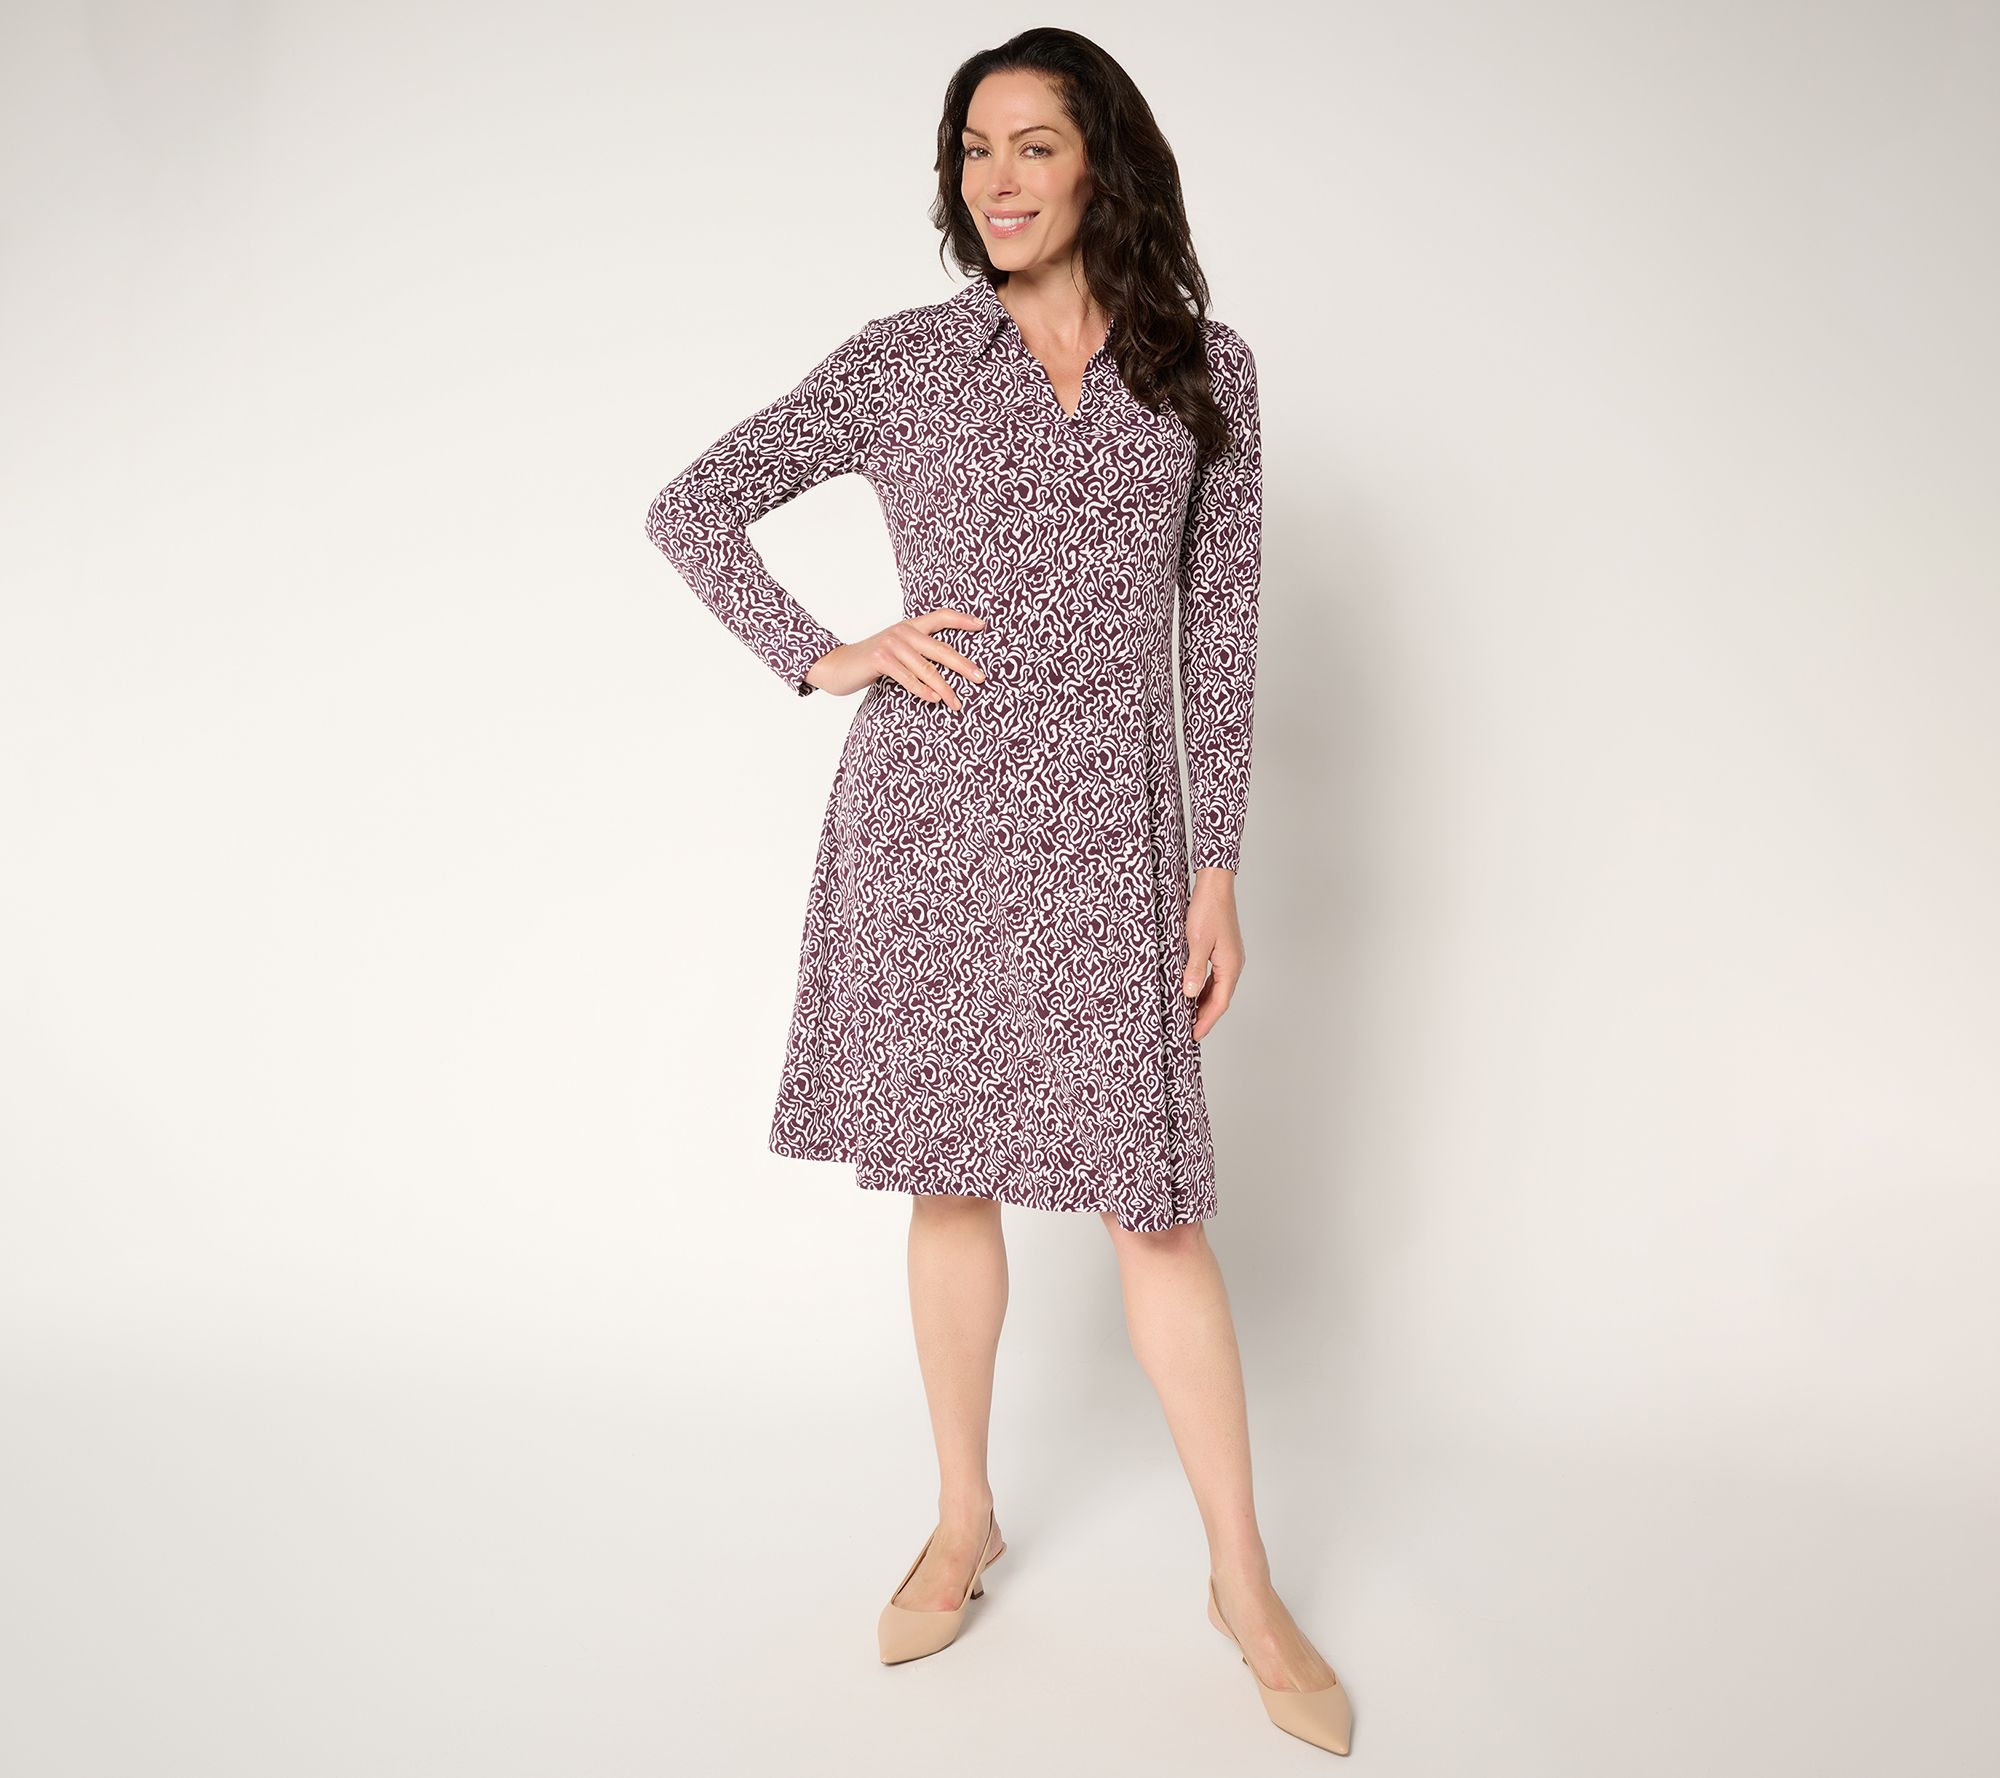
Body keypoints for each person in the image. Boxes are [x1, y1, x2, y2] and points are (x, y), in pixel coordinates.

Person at [644, 27, 1352, 1757]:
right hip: (933, 825)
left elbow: (1220, 635)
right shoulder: (905, 360)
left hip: (1113, 840)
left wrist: (1215, 865)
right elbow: (695, 503)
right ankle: (963, 1520)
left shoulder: (1205, 372)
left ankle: (1242, 1579)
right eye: (974, 149)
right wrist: (828, 651)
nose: (1000, 179)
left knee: (1153, 1210)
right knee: (948, 1182)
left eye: (1034, 143)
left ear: (1103, 157)